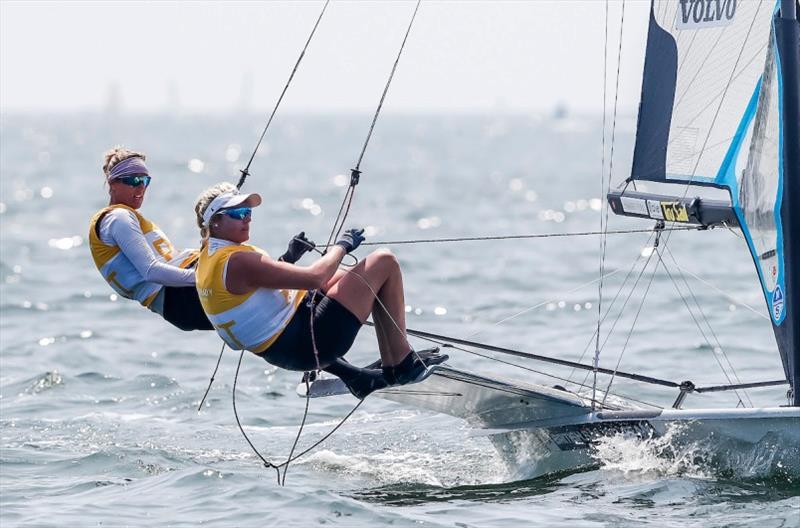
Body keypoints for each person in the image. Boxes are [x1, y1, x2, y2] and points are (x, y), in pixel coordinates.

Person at [193, 182, 446, 398]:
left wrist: (287, 258)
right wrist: (342, 246)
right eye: (237, 213)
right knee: (384, 262)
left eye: (247, 211)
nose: (247, 217)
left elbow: (255, 293)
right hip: (308, 342)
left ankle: (392, 357)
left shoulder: (209, 256)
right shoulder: (236, 260)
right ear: (214, 222)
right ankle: (400, 363)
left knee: (352, 274)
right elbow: (314, 278)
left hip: (287, 344)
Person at [88, 146, 214, 331]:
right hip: (181, 296)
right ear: (112, 182)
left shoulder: (121, 217)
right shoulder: (118, 218)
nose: (141, 187)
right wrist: (201, 278)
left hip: (177, 302)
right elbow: (151, 271)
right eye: (134, 180)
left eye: (145, 181)